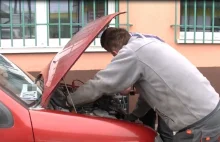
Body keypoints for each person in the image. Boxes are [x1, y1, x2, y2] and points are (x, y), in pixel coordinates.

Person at [68, 27, 220, 142]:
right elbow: (149, 94)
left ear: (114, 52)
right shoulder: (148, 43)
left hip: (201, 126)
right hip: (210, 113)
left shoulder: (132, 52)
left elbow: (100, 84)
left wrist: (69, 101)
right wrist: (134, 116)